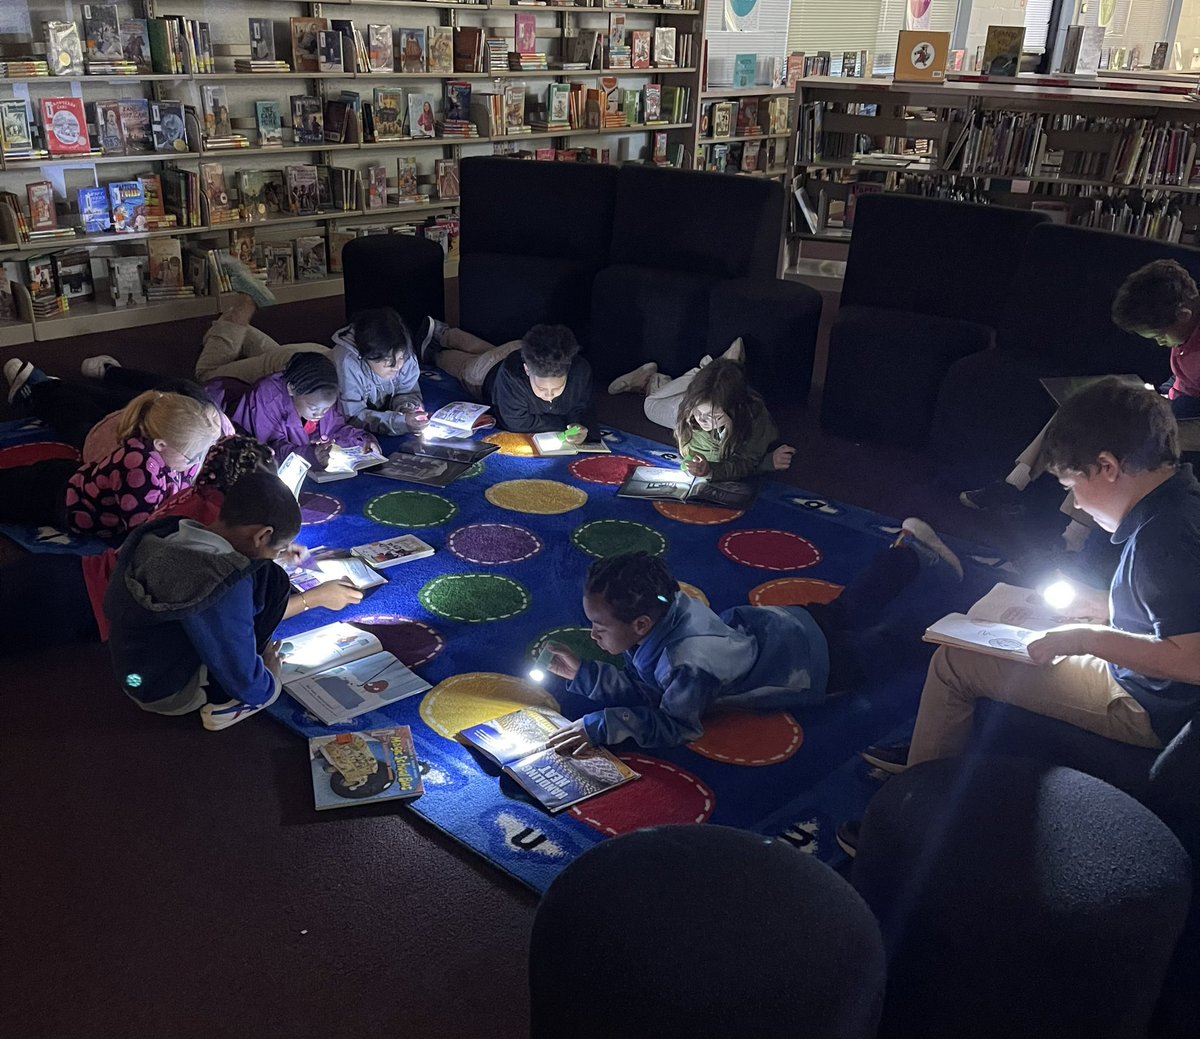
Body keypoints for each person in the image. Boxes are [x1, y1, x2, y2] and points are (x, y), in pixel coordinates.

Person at [860, 378, 1197, 783]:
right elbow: (1178, 609)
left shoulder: (1164, 541)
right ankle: (941, 749)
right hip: (1155, 689)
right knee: (1013, 630)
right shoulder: (1179, 505)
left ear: (1107, 467)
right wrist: (1104, 605)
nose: (1077, 504)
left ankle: (914, 801)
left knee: (954, 662)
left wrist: (1084, 639)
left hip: (1146, 706)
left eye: (1073, 487)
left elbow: (1191, 659)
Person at [543, 527, 963, 752]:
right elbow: (647, 682)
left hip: (818, 667)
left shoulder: (688, 664)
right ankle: (905, 551)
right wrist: (586, 675)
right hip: (784, 627)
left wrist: (604, 725)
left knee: (898, 642)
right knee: (849, 608)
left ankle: (970, 625)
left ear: (639, 625)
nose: (592, 634)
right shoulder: (664, 604)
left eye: (599, 626)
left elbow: (676, 724)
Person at [959, 259, 1200, 534]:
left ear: (1183, 314)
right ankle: (1014, 484)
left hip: (1190, 423)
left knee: (1106, 432)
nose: (1159, 343)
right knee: (1084, 404)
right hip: (1173, 407)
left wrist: (1162, 411)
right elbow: (1183, 377)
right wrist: (1159, 393)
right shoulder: (1186, 330)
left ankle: (1073, 538)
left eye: (1159, 337)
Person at [104, 470, 302, 731]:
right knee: (273, 581)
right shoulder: (222, 584)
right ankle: (226, 702)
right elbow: (240, 671)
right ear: (262, 535)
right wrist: (270, 680)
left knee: (266, 573)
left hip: (138, 668)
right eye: (276, 548)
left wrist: (272, 552)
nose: (277, 554)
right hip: (168, 695)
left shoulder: (167, 535)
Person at [0, 390, 221, 542]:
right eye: (191, 458)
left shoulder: (174, 455)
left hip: (70, 476)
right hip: (56, 498)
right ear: (161, 445)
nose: (194, 463)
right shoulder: (139, 467)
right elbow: (142, 531)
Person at [607, 346, 796, 479]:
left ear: (733, 411)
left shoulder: (753, 416)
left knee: (651, 404)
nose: (704, 421)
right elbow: (691, 447)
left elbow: (745, 462)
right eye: (700, 413)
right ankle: (708, 368)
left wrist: (711, 470)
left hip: (716, 407)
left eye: (715, 417)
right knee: (651, 405)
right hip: (692, 401)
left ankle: (708, 368)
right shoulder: (692, 412)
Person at [4, 356, 234, 452]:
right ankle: (111, 373)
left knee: (96, 429)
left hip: (180, 445)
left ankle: (41, 392)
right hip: (212, 424)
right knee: (184, 389)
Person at [417, 318, 594, 441]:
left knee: (484, 350)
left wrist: (577, 423)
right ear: (527, 370)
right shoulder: (512, 378)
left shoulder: (579, 371)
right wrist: (563, 424)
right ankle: (436, 349)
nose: (549, 396)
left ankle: (444, 333)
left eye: (556, 389)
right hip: (486, 371)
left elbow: (581, 406)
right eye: (542, 389)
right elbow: (515, 422)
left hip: (517, 348)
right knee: (462, 365)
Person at [230, 352, 378, 468]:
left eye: (326, 409)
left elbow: (335, 428)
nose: (320, 415)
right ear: (291, 389)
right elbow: (269, 449)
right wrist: (307, 455)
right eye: (313, 408)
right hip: (226, 390)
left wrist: (361, 441)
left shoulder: (325, 395)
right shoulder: (267, 398)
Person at [193, 289, 328, 384]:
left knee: (273, 356)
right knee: (206, 376)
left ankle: (239, 315)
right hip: (301, 369)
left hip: (317, 353)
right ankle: (241, 312)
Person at [332, 306, 427, 436]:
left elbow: (408, 391)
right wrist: (399, 422)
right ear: (368, 357)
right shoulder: (346, 363)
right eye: (388, 361)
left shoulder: (403, 349)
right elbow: (352, 416)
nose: (397, 366)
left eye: (401, 357)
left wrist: (407, 409)